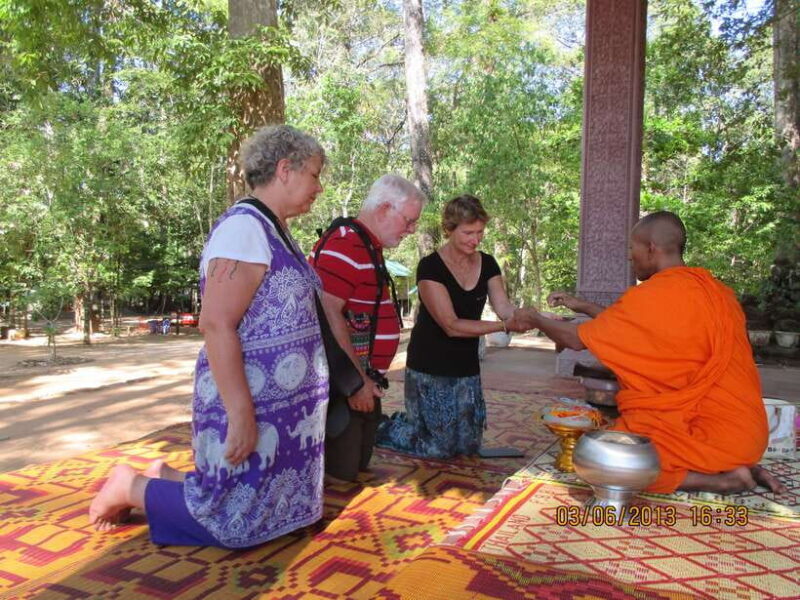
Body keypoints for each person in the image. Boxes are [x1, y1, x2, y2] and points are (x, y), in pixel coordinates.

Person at [89, 125, 330, 547]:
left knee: (254, 505)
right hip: (247, 397)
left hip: (277, 401)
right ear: (285, 169)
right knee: (229, 519)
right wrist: (241, 413)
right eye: (314, 174)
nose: (319, 187)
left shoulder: (274, 230)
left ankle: (161, 477)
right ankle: (129, 486)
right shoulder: (244, 230)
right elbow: (216, 323)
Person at [516, 211, 787, 495]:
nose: (629, 257)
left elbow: (574, 340)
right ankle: (741, 465)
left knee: (596, 460)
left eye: (632, 249)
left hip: (704, 434)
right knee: (639, 436)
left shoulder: (652, 295)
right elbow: (633, 325)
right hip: (746, 436)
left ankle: (722, 480)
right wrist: (582, 305)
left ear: (651, 248)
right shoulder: (718, 293)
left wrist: (534, 318)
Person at [376, 194, 522, 458]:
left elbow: (505, 309)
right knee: (437, 449)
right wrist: (503, 326)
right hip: (430, 365)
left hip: (466, 367)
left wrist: (533, 317)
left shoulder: (487, 263)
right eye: (468, 232)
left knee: (467, 447)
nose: (475, 239)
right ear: (449, 229)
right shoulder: (430, 267)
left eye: (480, 232)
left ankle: (417, 423)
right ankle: (387, 426)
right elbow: (451, 325)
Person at [309, 174, 424, 482]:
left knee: (358, 466)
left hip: (361, 382)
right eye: (409, 220)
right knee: (340, 477)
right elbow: (327, 315)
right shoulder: (346, 243)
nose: (411, 229)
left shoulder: (365, 245)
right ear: (385, 209)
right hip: (345, 386)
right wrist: (355, 382)